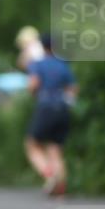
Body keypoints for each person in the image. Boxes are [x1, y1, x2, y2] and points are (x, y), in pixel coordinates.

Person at [24, 33, 78, 197]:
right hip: (63, 108)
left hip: (46, 107)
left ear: (43, 46)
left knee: (32, 145)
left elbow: (33, 84)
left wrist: (33, 93)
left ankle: (49, 175)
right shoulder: (64, 65)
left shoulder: (38, 64)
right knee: (55, 149)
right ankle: (60, 188)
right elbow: (73, 89)